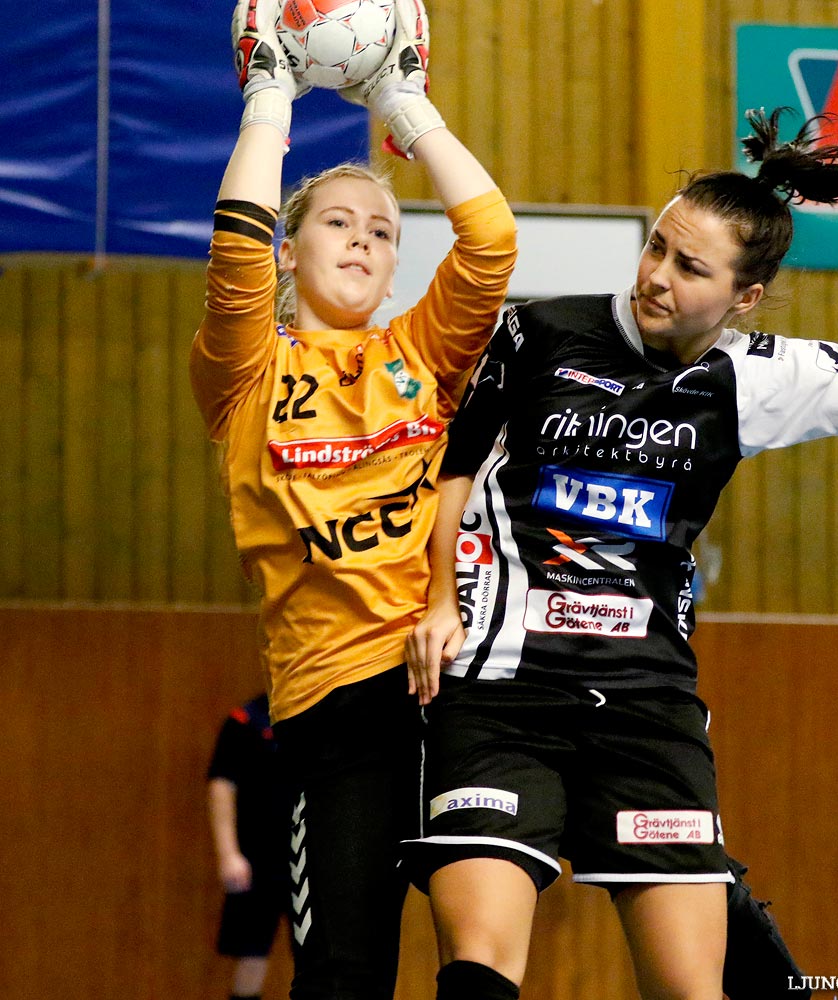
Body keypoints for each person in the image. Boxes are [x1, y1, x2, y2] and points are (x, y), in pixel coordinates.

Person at [402, 107, 838, 1000]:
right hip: (501, 686)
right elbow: (455, 468)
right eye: (657, 246)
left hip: (643, 705)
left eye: (688, 267)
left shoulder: (760, 376)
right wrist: (436, 600)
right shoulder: (541, 331)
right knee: (477, 969)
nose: (655, 276)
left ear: (743, 297)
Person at [188, 0, 517, 995]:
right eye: (338, 220)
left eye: (382, 228)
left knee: (483, 962)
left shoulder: (419, 348)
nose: (366, 238)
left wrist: (405, 104)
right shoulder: (247, 370)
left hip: (461, 689)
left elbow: (488, 238)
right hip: (339, 702)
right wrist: (267, 99)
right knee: (343, 969)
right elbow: (238, 239)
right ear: (293, 251)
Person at [207, 693, 292, 1000]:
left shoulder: (314, 714)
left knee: (320, 957)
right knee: (252, 955)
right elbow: (221, 785)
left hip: (310, 860)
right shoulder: (244, 721)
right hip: (256, 861)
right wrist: (228, 854)